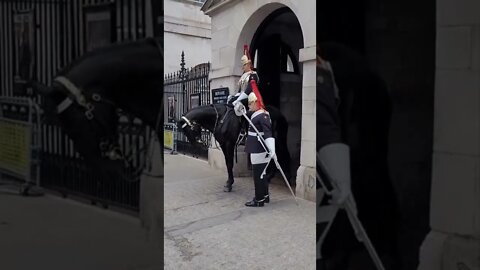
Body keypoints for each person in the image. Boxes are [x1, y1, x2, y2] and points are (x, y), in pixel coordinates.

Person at [243, 90, 275, 207]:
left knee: (258, 174)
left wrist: (272, 148)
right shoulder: (258, 113)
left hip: (259, 148)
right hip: (257, 147)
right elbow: (246, 112)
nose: (249, 106)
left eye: (250, 103)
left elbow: (267, 133)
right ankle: (265, 196)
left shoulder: (262, 115)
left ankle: (259, 199)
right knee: (262, 173)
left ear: (256, 103)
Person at [229, 45, 260, 110]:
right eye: (242, 65)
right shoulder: (243, 76)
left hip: (251, 97)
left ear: (248, 64)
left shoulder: (253, 75)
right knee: (230, 102)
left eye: (244, 65)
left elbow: (248, 90)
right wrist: (233, 97)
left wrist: (237, 100)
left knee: (239, 104)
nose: (243, 67)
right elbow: (240, 91)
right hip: (242, 96)